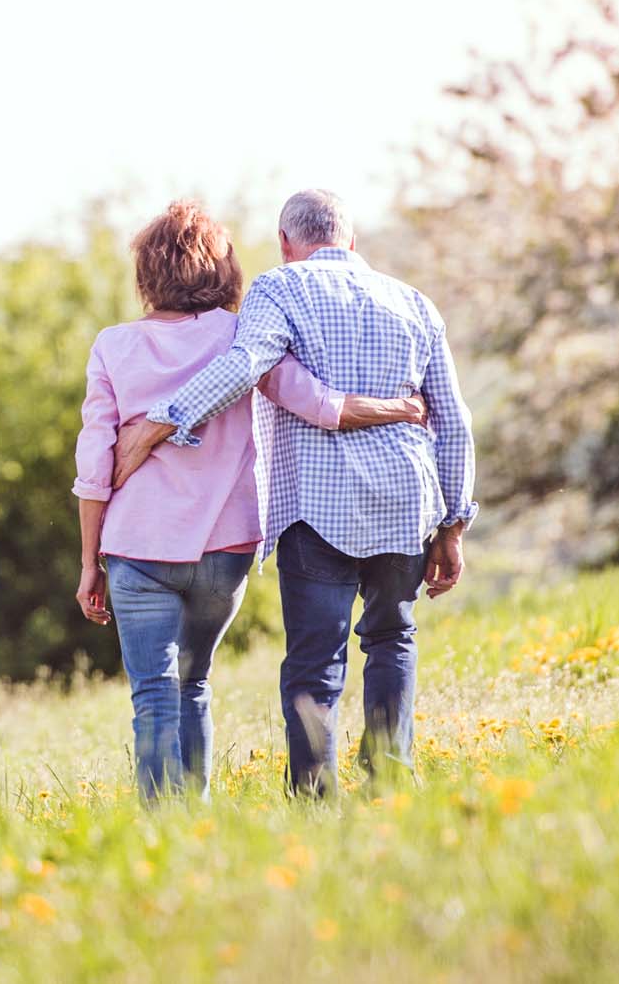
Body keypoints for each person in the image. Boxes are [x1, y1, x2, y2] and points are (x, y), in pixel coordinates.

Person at [110, 189, 477, 796]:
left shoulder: (279, 289)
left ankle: (312, 795)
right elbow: (453, 418)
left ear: (285, 244)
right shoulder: (415, 303)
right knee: (393, 638)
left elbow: (246, 364)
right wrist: (455, 522)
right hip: (407, 502)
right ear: (352, 240)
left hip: (316, 507)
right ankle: (390, 778)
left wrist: (159, 423)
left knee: (315, 660)